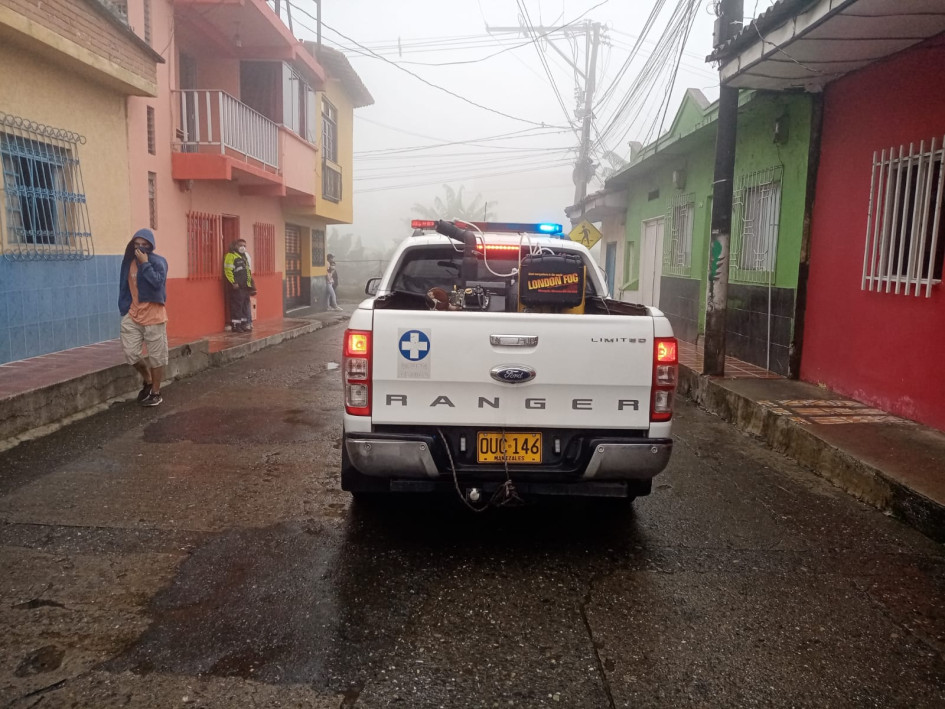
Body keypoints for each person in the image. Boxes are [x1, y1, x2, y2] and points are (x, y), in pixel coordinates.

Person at [118, 228, 168, 407]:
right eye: (137, 244)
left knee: (157, 357)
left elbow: (157, 283)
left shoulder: (158, 262)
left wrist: (145, 264)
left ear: (151, 246)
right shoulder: (128, 262)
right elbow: (124, 284)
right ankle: (147, 379)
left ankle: (156, 392)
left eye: (144, 245)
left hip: (154, 315)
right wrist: (123, 306)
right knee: (130, 353)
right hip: (133, 314)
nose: (140, 248)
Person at [224, 238, 255, 332]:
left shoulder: (243, 257)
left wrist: (251, 285)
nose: (243, 247)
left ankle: (243, 324)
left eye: (244, 246)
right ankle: (236, 325)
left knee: (244, 306)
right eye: (240, 245)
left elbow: (248, 272)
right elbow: (228, 270)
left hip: (245, 286)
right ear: (235, 246)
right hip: (237, 286)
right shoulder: (230, 256)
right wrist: (233, 282)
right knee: (237, 306)